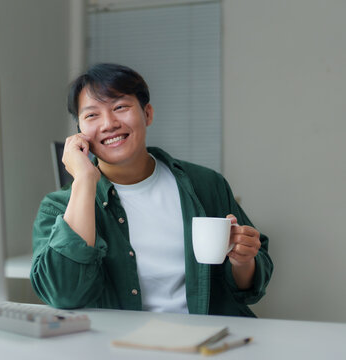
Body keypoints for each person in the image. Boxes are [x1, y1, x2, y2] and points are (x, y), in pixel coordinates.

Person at [31, 63, 273, 316]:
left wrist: (243, 260)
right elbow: (64, 294)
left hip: (208, 343)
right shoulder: (59, 207)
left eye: (120, 107)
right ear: (80, 131)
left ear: (147, 113)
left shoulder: (205, 183)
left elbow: (251, 288)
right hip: (122, 345)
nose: (109, 124)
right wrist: (83, 179)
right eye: (92, 115)